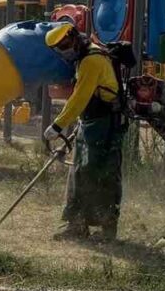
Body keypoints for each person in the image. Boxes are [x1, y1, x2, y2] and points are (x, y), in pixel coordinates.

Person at [42, 23, 122, 240]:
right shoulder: (84, 58)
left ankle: (105, 228)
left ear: (75, 38)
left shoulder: (92, 60)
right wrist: (79, 120)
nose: (64, 50)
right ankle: (78, 225)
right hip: (92, 121)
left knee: (100, 174)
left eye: (66, 44)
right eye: (60, 48)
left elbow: (80, 97)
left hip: (104, 124)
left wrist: (58, 125)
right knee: (79, 172)